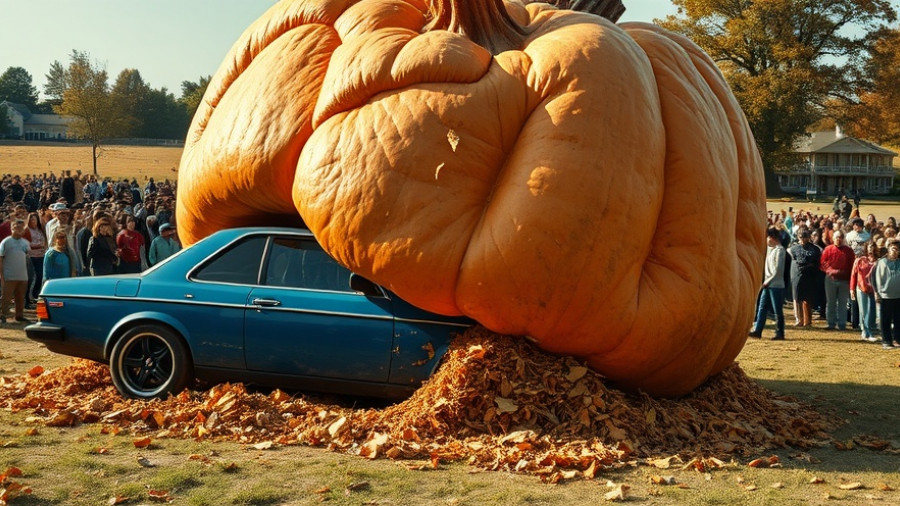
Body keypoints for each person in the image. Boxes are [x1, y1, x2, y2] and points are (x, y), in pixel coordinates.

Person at [749, 227, 786, 340]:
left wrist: (767, 281)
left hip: (775, 285)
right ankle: (758, 330)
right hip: (768, 284)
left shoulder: (780, 251)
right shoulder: (772, 249)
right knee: (762, 307)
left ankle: (780, 333)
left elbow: (777, 270)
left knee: (777, 310)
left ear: (773, 238)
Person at [820, 230, 855, 331]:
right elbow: (823, 262)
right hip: (830, 279)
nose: (838, 239)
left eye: (840, 237)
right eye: (836, 237)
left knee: (842, 303)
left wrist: (844, 272)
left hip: (844, 280)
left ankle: (842, 324)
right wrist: (831, 271)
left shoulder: (848, 251)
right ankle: (831, 323)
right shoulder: (828, 249)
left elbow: (851, 265)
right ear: (833, 238)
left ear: (843, 239)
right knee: (831, 302)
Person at [0, 219, 33, 324]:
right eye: (16, 227)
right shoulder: (6, 242)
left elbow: (27, 258)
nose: (19, 230)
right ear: (12, 228)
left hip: (22, 275)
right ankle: (3, 315)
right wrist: (2, 275)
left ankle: (19, 315)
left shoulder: (26, 243)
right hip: (9, 275)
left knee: (20, 297)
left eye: (21, 228)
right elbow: (1, 259)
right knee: (6, 298)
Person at [788, 229, 821, 327]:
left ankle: (807, 321)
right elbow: (796, 260)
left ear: (808, 237)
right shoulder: (793, 248)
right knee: (797, 298)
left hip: (810, 276)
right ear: (798, 237)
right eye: (801, 237)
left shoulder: (814, 249)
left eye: (805, 237)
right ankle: (799, 320)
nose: (803, 240)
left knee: (807, 298)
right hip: (797, 275)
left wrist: (809, 265)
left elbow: (815, 261)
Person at [872, 240, 900, 350]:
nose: (895, 251)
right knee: (885, 320)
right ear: (888, 249)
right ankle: (886, 341)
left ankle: (897, 339)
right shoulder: (881, 262)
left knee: (898, 320)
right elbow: (876, 278)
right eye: (893, 248)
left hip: (898, 296)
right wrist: (877, 293)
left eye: (897, 249)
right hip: (885, 295)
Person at [851, 241, 881, 343]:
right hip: (861, 288)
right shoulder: (860, 260)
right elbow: (853, 275)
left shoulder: (878, 261)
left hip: (873, 290)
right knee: (863, 312)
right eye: (869, 247)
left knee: (871, 312)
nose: (871, 249)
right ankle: (865, 332)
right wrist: (852, 289)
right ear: (866, 248)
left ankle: (870, 331)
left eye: (873, 247)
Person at [26, 212, 47, 305]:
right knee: (30, 277)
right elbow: (26, 245)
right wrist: (37, 246)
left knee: (40, 276)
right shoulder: (27, 230)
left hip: (41, 256)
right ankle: (27, 297)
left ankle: (35, 294)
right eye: (31, 219)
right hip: (31, 256)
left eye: (34, 219)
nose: (33, 221)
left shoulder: (40, 229)